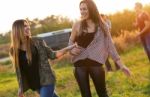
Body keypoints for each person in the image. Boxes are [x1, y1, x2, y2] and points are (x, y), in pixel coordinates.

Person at [68, 0, 131, 97]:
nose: (82, 11)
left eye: (85, 9)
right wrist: (71, 50)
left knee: (102, 94)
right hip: (79, 64)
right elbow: (71, 41)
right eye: (80, 9)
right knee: (85, 95)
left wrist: (121, 65)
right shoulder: (77, 24)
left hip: (96, 63)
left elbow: (110, 46)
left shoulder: (102, 26)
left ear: (92, 9)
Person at [9, 19, 76, 97]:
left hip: (47, 80)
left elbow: (53, 55)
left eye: (28, 25)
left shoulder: (37, 41)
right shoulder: (13, 50)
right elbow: (20, 71)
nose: (28, 28)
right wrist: (21, 88)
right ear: (17, 30)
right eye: (24, 26)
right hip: (35, 84)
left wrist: (69, 48)